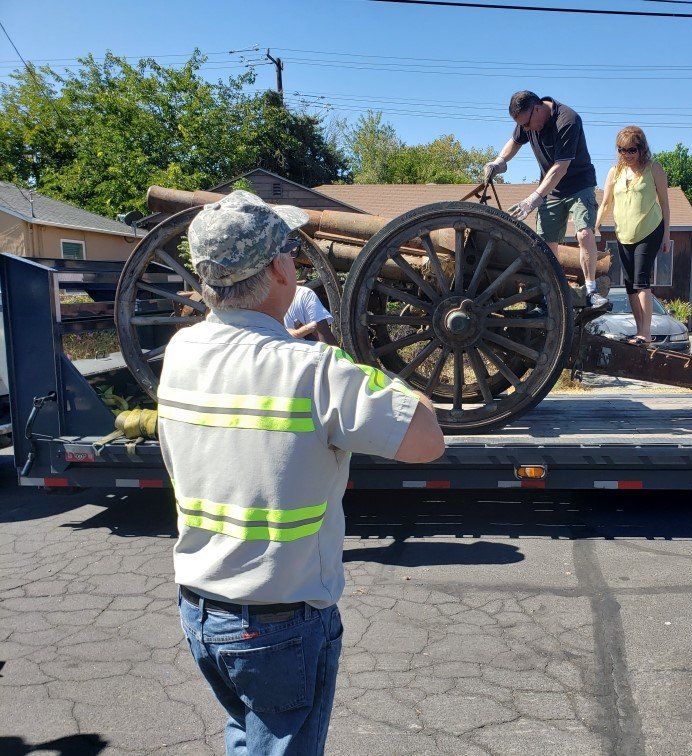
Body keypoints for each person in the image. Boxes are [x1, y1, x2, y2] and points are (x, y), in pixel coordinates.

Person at [157, 190, 445, 756]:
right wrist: (386, 380)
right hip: (279, 620)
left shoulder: (182, 351)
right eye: (288, 248)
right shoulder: (317, 372)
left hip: (201, 608)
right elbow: (427, 441)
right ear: (277, 269)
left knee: (247, 739)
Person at [484, 91, 608, 309]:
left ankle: (590, 291)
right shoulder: (527, 121)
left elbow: (561, 167)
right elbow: (514, 142)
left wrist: (534, 198)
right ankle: (551, 294)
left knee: (584, 233)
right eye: (523, 126)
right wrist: (499, 162)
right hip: (552, 189)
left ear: (538, 108)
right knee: (547, 244)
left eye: (529, 124)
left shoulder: (567, 120)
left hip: (579, 184)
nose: (528, 129)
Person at [596, 126, 671, 345]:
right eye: (621, 150)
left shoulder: (653, 169)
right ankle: (640, 330)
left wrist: (667, 235)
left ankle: (645, 333)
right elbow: (606, 202)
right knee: (630, 285)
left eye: (631, 150)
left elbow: (665, 204)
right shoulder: (614, 172)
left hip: (649, 230)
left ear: (641, 149)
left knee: (641, 281)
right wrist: (596, 226)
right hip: (624, 233)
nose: (626, 155)